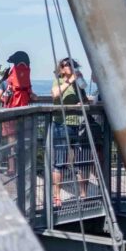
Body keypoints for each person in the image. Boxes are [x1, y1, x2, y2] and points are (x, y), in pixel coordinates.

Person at [51, 58, 89, 206]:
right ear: (61, 69)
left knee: (81, 161)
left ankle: (83, 194)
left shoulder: (78, 84)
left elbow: (86, 100)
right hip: (62, 125)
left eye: (72, 65)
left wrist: (83, 102)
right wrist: (69, 81)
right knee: (59, 161)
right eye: (66, 65)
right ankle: (57, 197)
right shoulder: (58, 82)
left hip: (77, 125)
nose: (70, 67)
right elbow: (55, 95)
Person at [0, 51, 33, 176]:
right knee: (22, 142)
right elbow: (32, 96)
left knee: (11, 143)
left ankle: (12, 168)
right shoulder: (26, 82)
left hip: (9, 116)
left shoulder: (7, 82)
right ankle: (24, 167)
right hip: (24, 114)